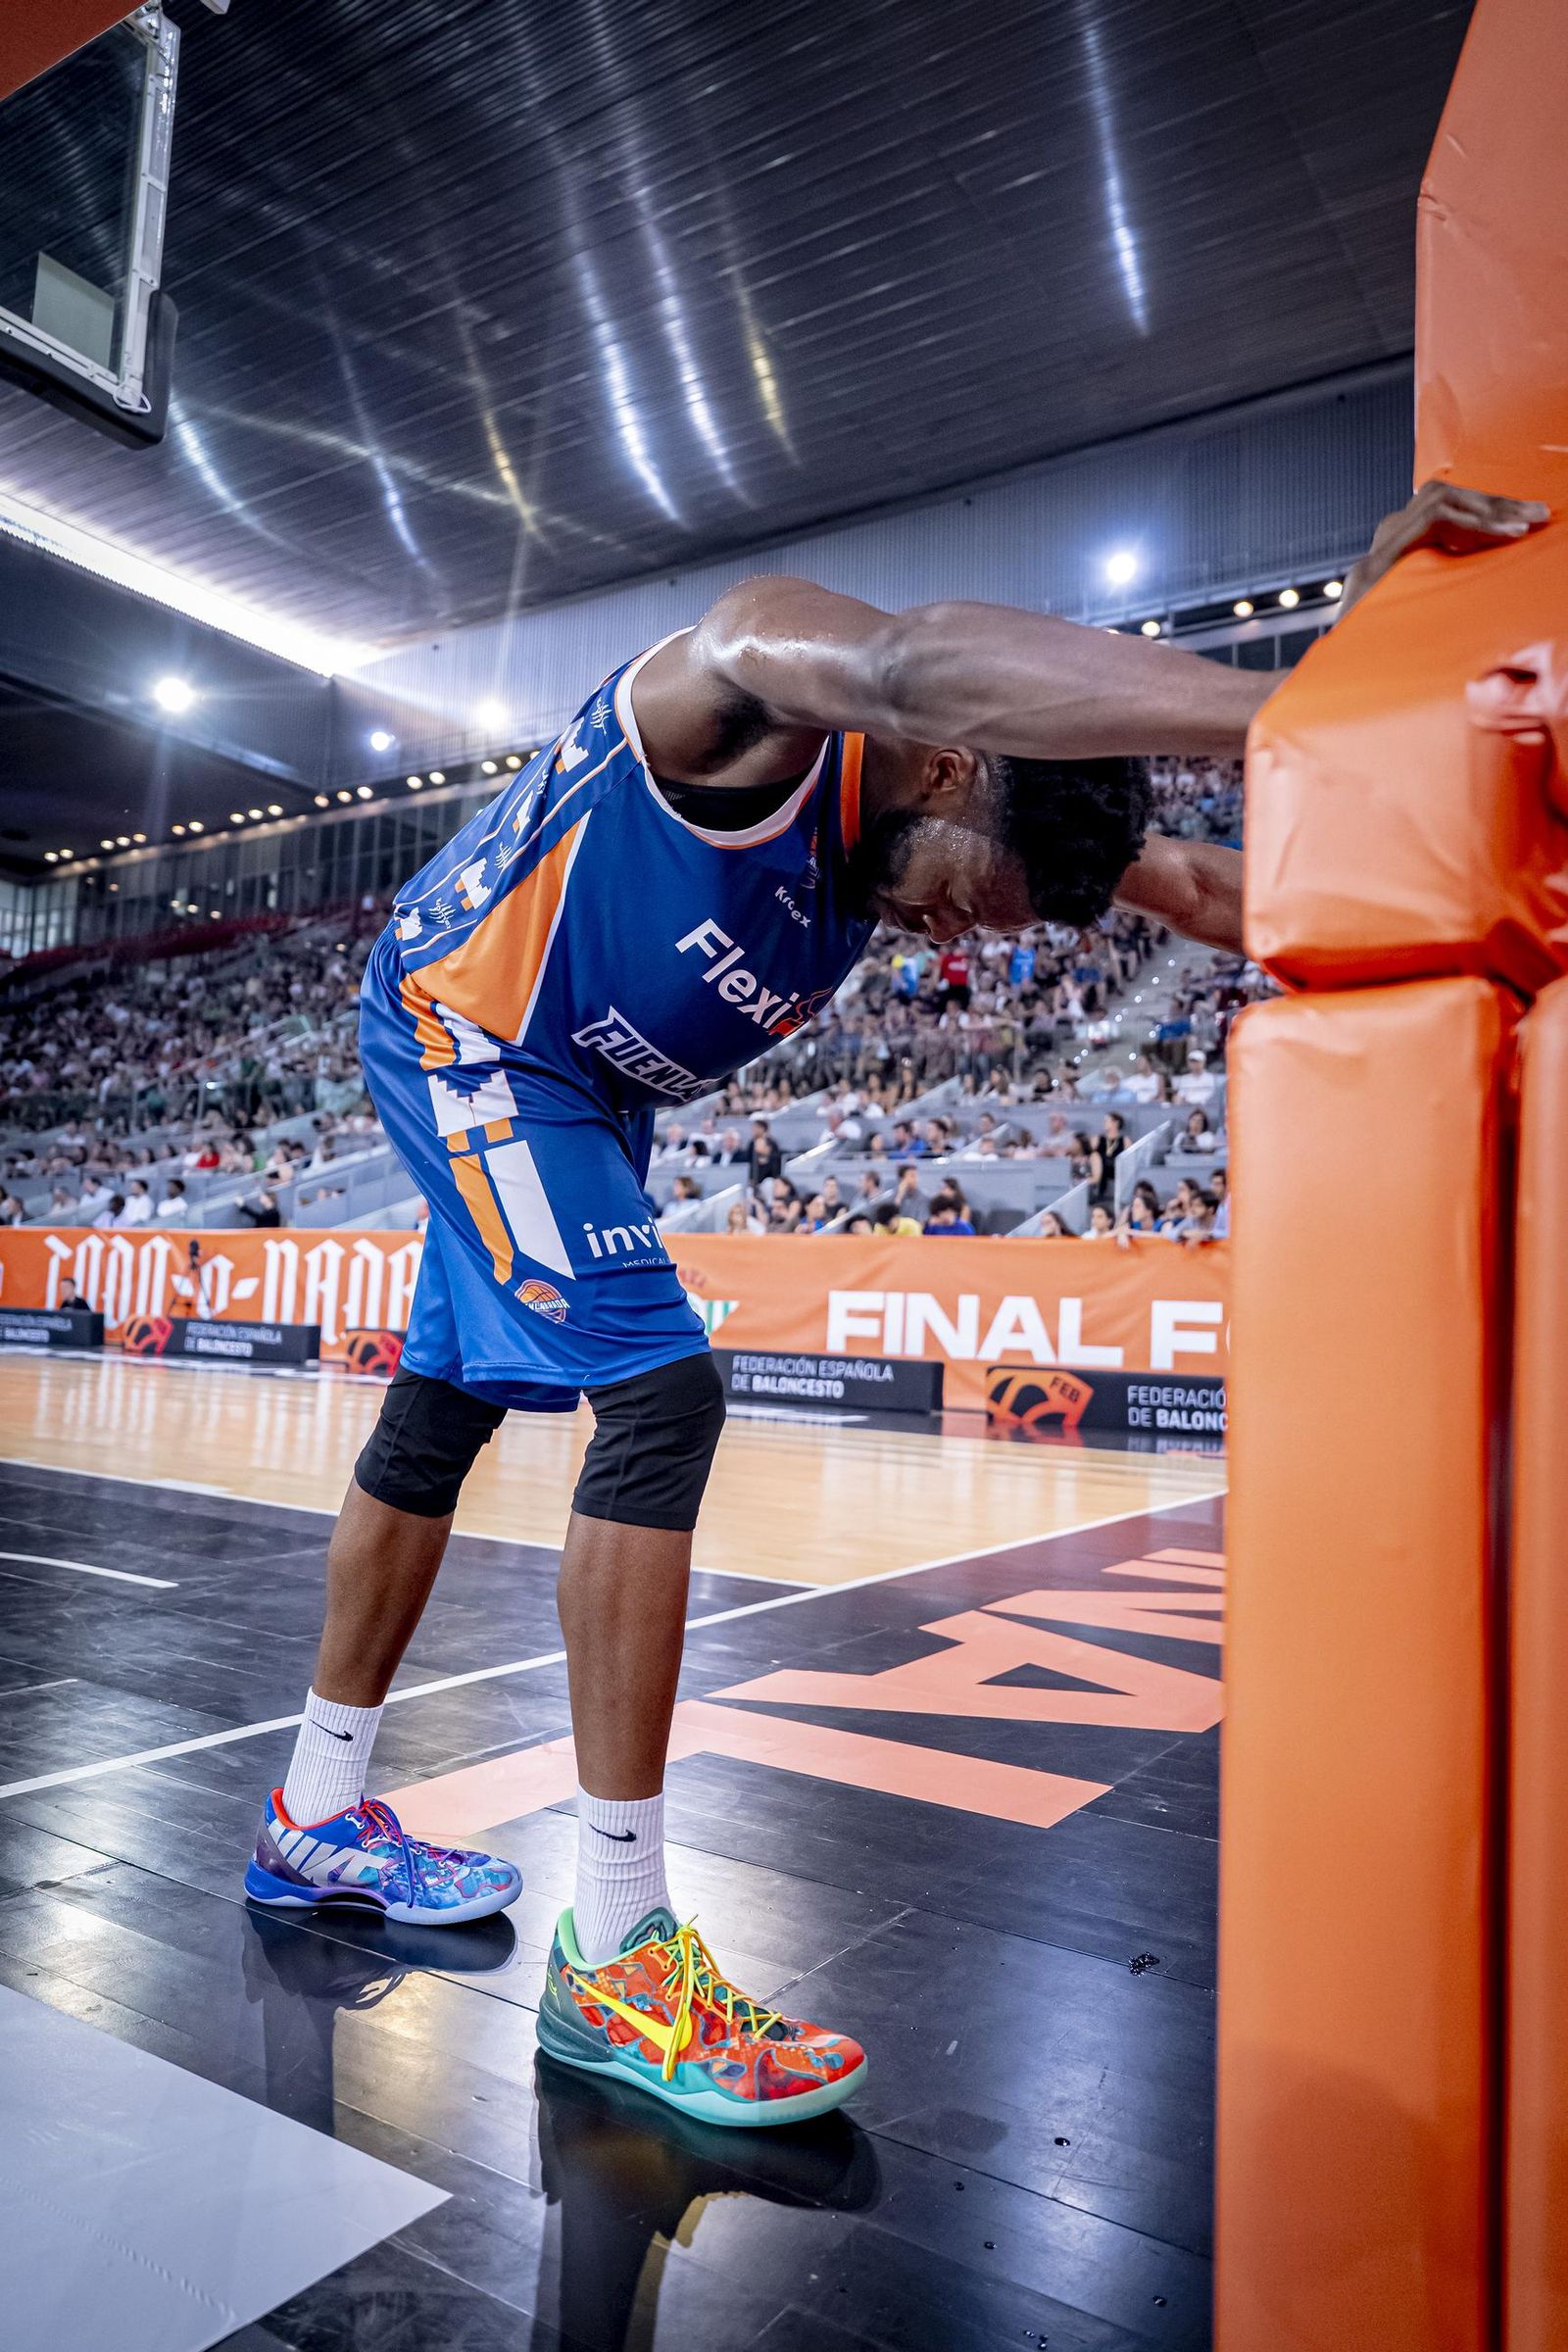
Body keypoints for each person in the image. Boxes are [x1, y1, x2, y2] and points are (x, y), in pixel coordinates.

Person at [245, 482, 1538, 2132]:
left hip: (575, 1091)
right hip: (469, 1027)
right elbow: (920, 654)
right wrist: (1312, 693)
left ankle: (316, 1817)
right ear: (942, 768)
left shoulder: (976, 820)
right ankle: (620, 1953)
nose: (933, 941)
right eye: (950, 900)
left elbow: (1210, 894)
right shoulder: (743, 697)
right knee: (662, 1397)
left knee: (439, 1414)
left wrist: (1428, 772)